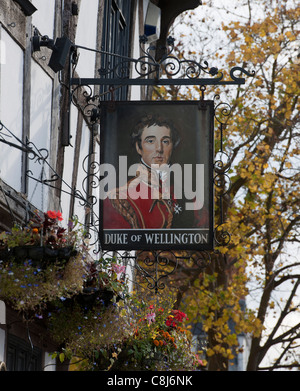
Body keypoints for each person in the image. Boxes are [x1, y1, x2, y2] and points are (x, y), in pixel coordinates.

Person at [102, 113, 208, 229]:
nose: (159, 149)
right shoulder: (120, 199)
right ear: (138, 147)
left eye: (165, 141)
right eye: (151, 141)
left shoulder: (189, 198)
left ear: (172, 147)